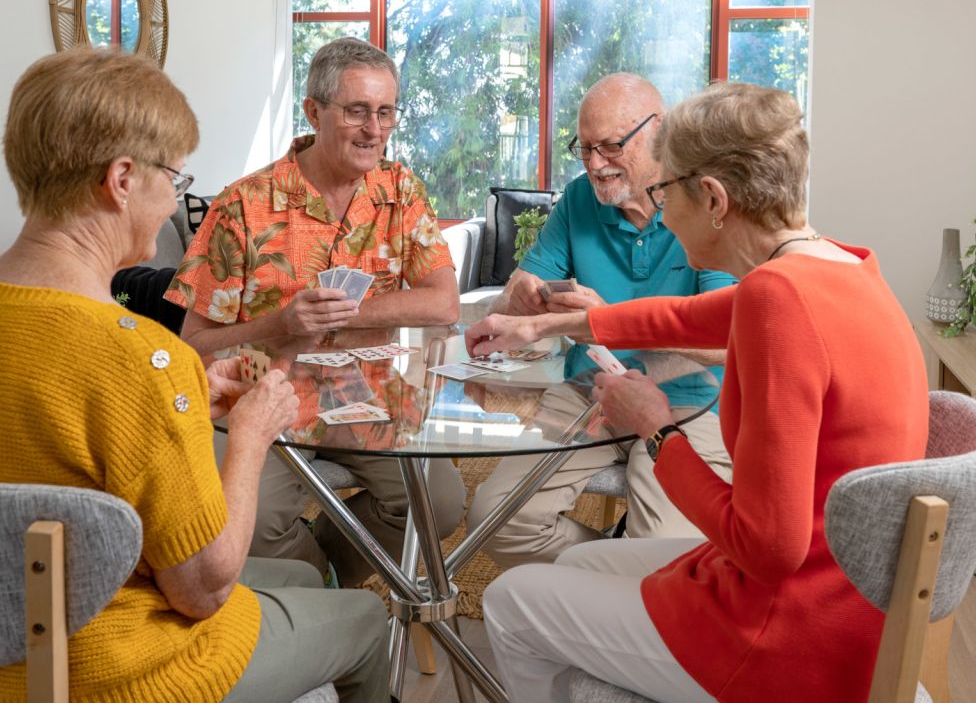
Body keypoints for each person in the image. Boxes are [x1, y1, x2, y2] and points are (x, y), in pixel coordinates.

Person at [466, 82, 929, 703]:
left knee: (508, 601)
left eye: (665, 190)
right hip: (823, 602)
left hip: (784, 632)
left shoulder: (780, 303)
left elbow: (769, 550)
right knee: (575, 566)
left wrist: (657, 431)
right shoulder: (834, 267)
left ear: (712, 198)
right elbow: (678, 319)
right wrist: (540, 326)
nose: (660, 209)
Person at [0, 48, 389, 703]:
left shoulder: (143, 369)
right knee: (369, 617)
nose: (171, 202)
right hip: (113, 668)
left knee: (297, 580)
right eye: (174, 179)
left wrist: (185, 397)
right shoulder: (144, 359)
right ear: (122, 179)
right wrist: (252, 434)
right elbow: (203, 588)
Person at [165, 37, 465, 586]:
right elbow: (190, 347)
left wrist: (344, 314)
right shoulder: (242, 206)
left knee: (440, 503)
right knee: (254, 524)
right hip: (265, 401)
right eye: (356, 111)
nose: (374, 129)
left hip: (371, 398)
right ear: (313, 111)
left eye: (385, 111)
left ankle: (329, 581)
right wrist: (281, 324)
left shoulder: (400, 190)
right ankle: (320, 586)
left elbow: (443, 303)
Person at [466, 73, 736, 565]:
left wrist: (611, 319)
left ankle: (629, 568)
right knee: (494, 521)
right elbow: (512, 298)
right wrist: (519, 298)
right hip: (590, 392)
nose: (594, 163)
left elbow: (724, 340)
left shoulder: (705, 202)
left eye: (611, 146)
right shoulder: (578, 200)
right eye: (584, 148)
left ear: (659, 130)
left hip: (691, 401)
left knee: (665, 556)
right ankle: (615, 564)